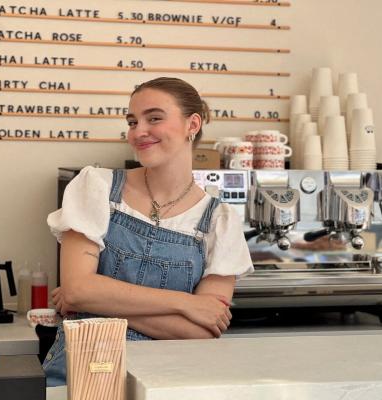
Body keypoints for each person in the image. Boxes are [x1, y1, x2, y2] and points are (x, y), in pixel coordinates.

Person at [43, 77, 254, 386]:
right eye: (132, 121)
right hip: (81, 377)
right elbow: (77, 289)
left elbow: (203, 331)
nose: (138, 132)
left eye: (154, 118)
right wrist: (187, 304)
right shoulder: (97, 186)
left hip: (168, 384)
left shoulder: (220, 221)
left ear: (192, 124)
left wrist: (95, 305)